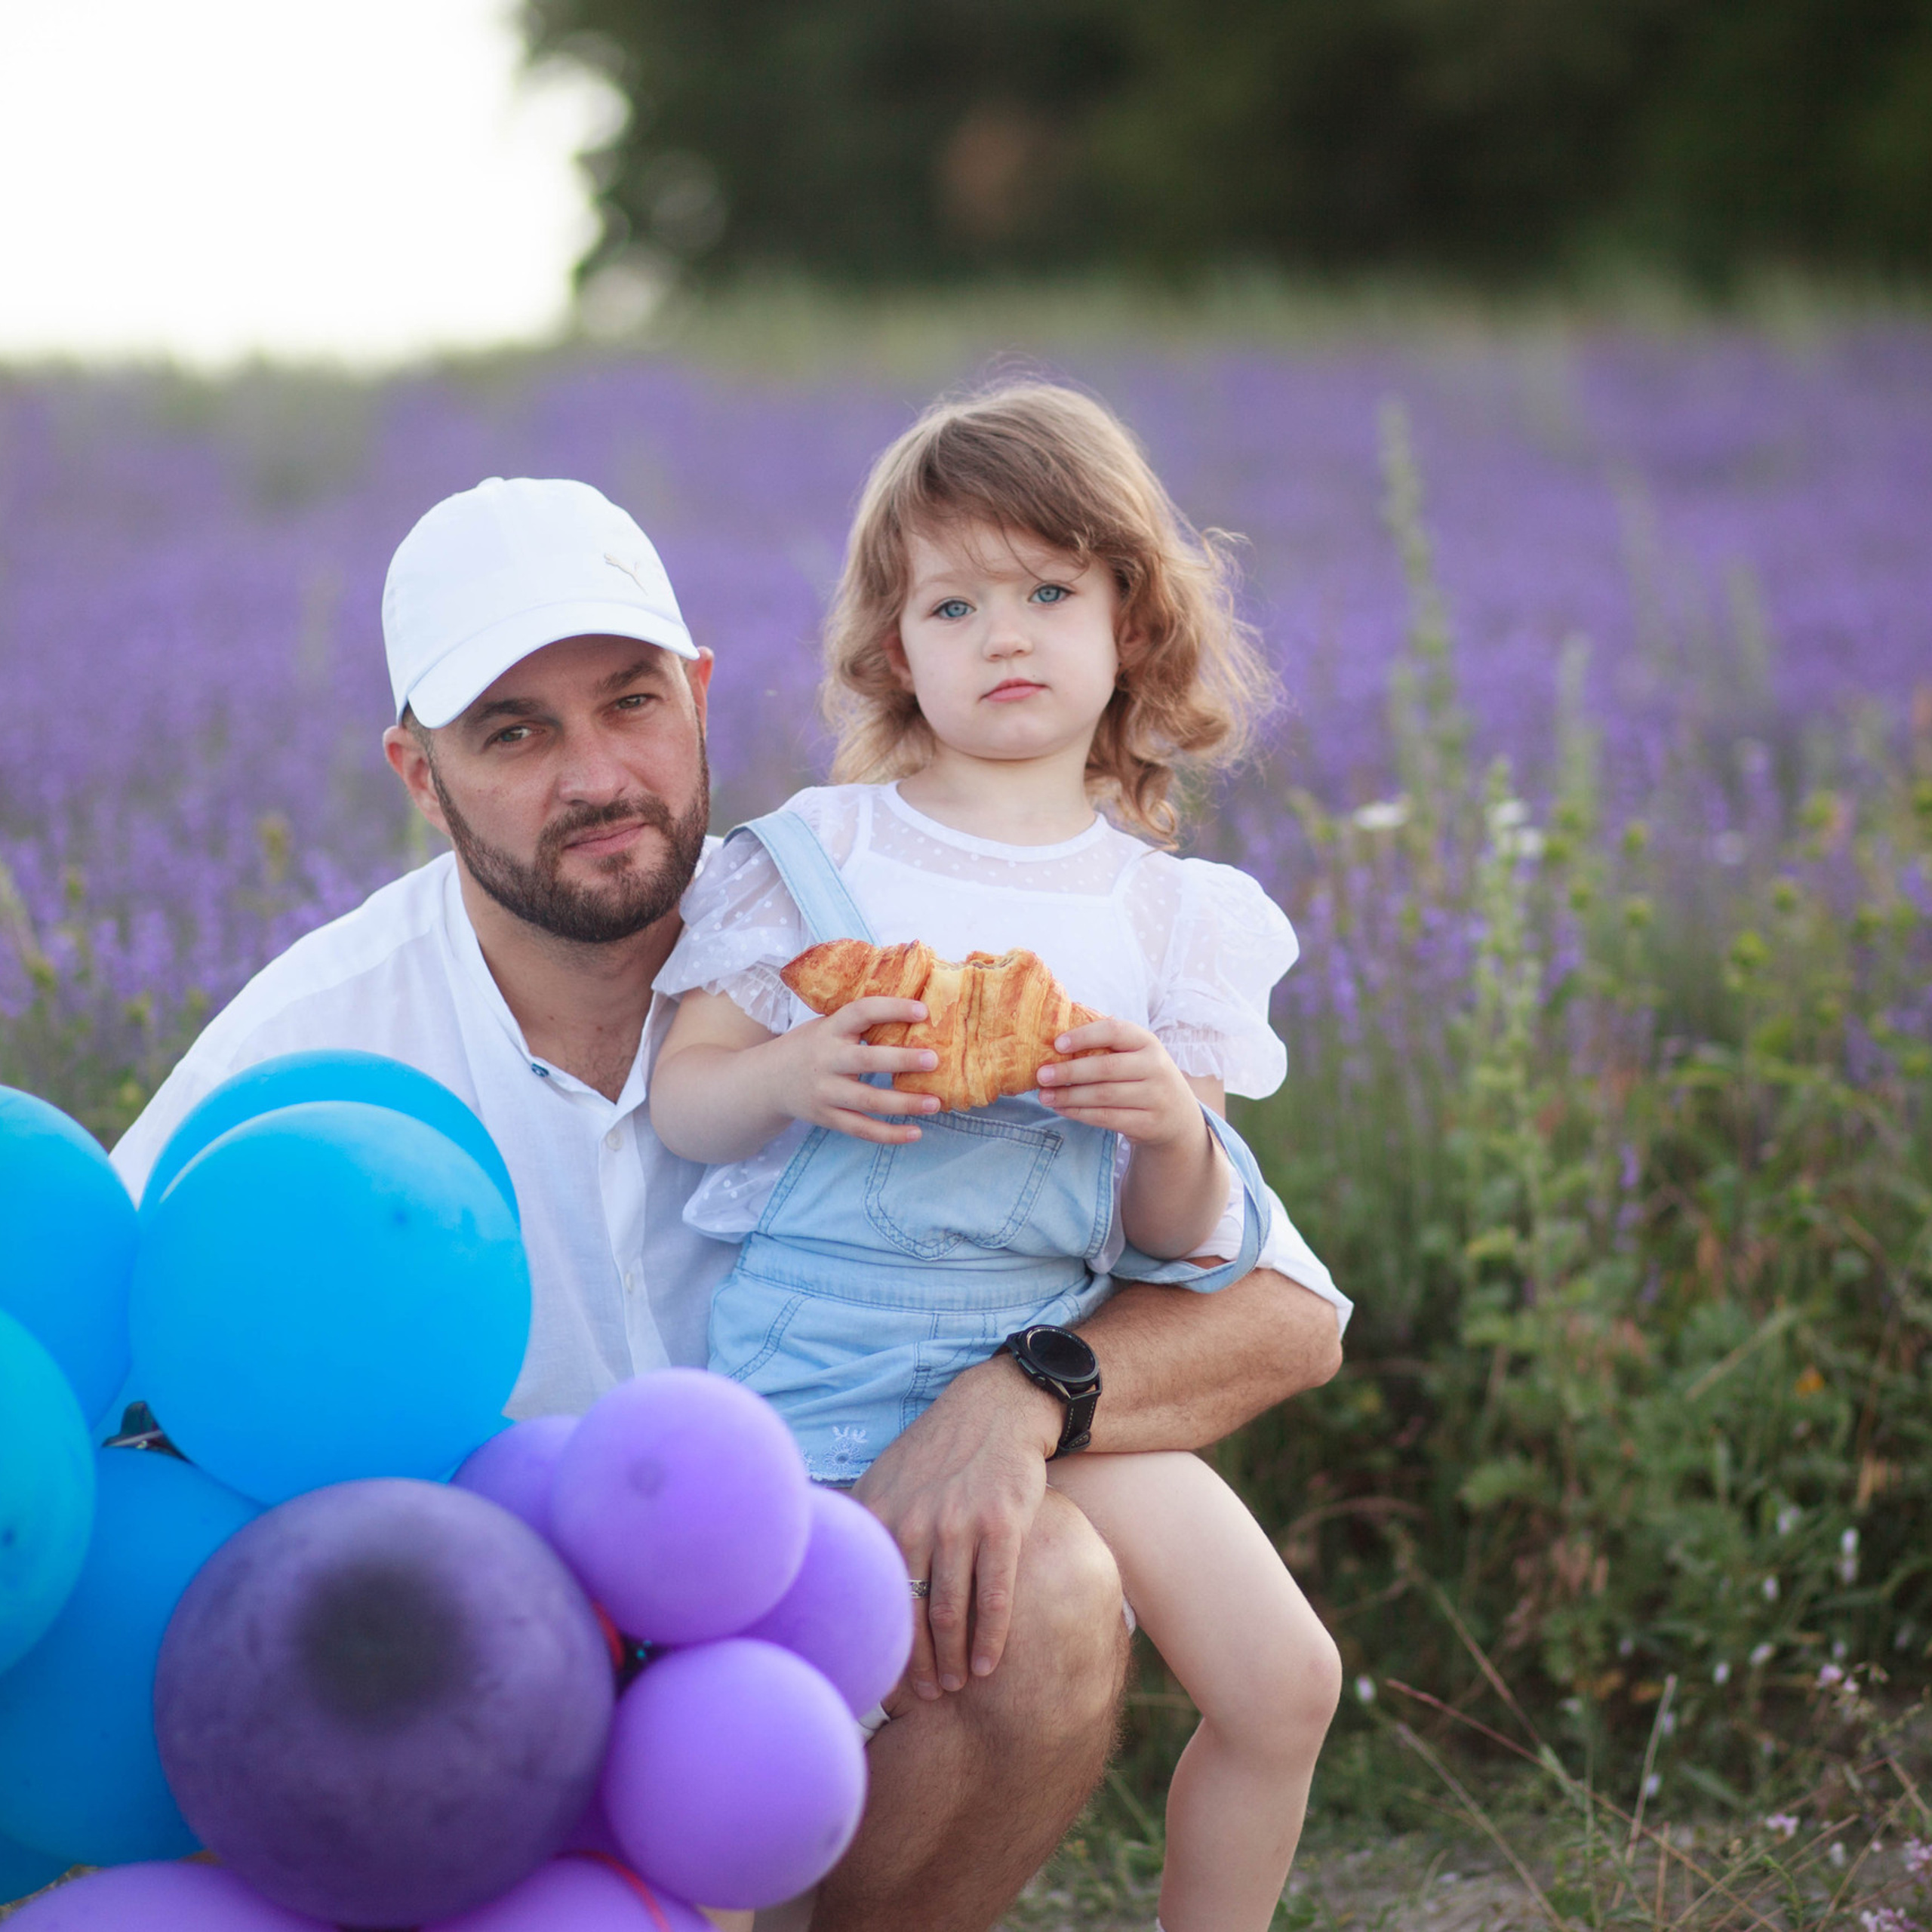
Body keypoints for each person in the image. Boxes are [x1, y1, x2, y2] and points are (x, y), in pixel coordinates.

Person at [108, 471, 1349, 1932]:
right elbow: (101, 1361)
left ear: (698, 692)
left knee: (1053, 1586)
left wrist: (1021, 1393)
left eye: (628, 700)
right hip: (478, 1680)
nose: (593, 775)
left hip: (813, 1631)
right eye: (513, 730)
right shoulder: (317, 1041)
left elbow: (1277, 1315)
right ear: (414, 770)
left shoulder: (873, 928)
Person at [649, 381, 1343, 1932]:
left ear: (1130, 622)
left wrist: (1169, 1121)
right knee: (773, 1739)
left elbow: (1175, 1240)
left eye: (1047, 591)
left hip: (1039, 1353)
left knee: (1285, 1678)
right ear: (894, 650)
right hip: (822, 1364)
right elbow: (685, 1101)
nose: (1003, 634)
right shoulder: (819, 860)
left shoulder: (1172, 918)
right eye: (951, 603)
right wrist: (787, 1068)